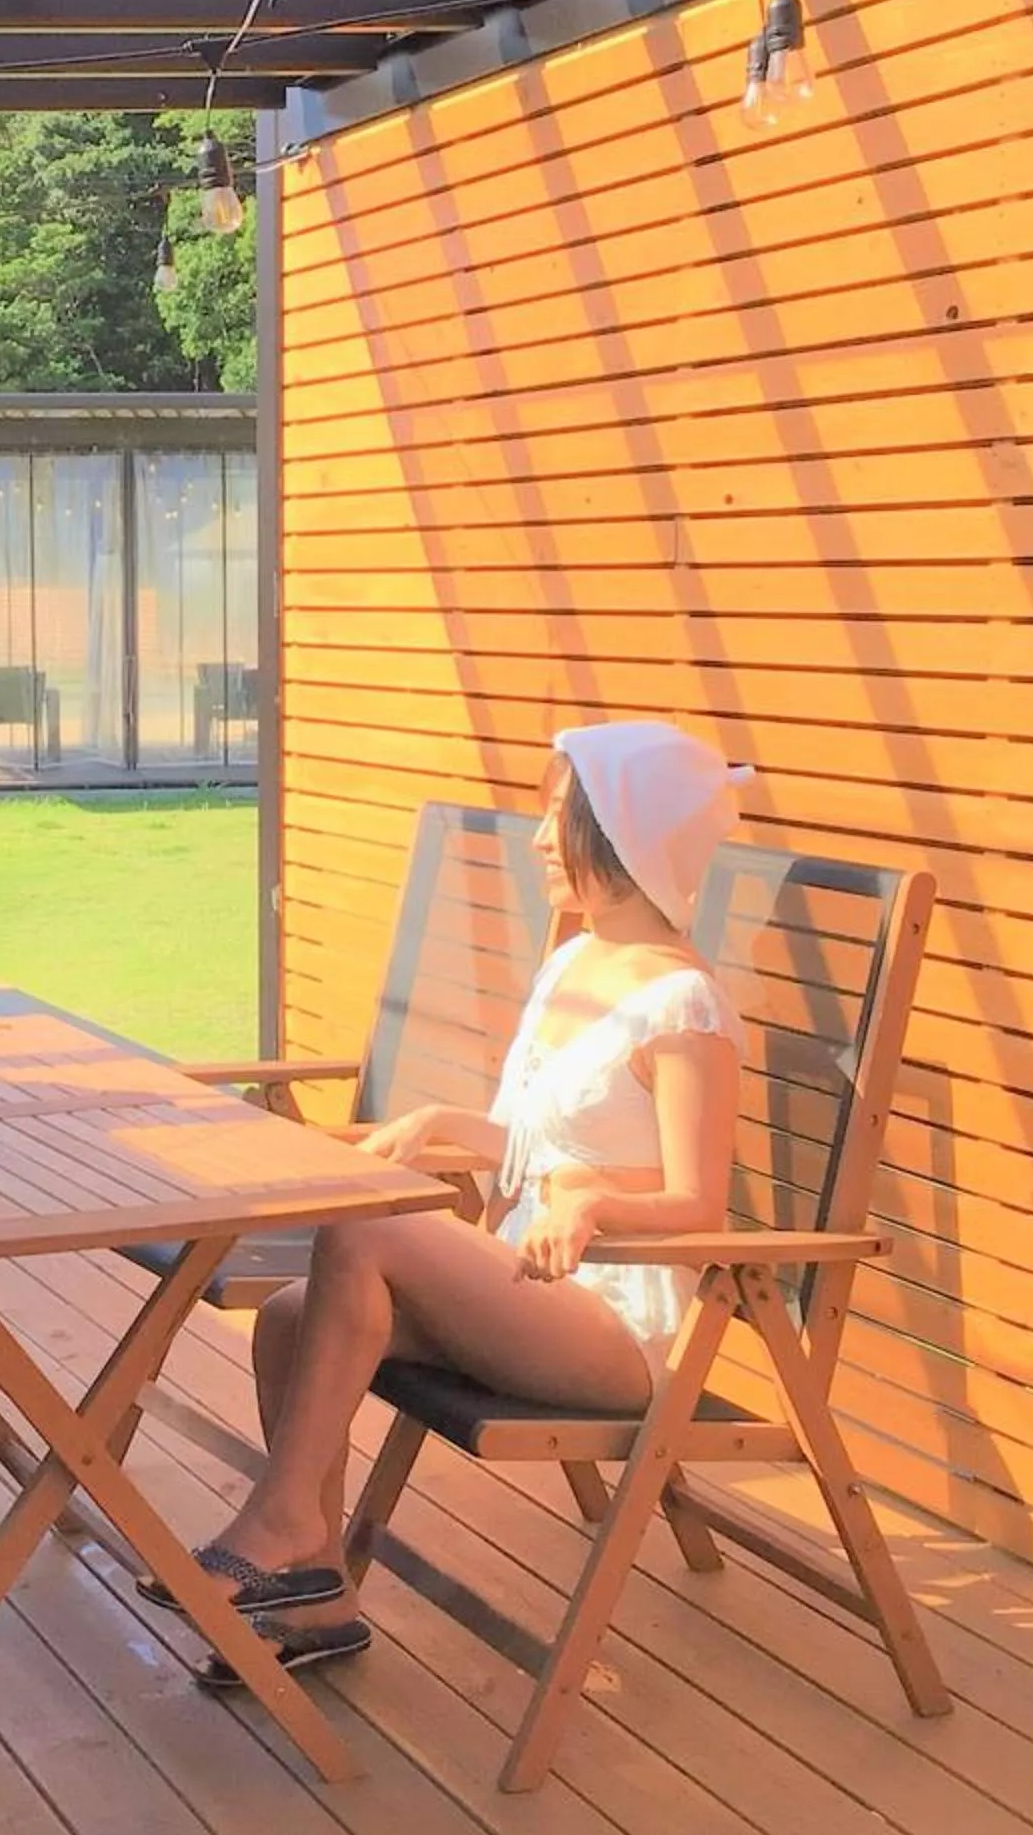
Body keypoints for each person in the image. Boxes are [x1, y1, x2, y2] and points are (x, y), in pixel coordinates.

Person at [141, 721, 752, 1682]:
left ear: (624, 835)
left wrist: (592, 1207)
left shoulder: (685, 1007)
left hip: (614, 1329)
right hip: (521, 1287)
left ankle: (283, 1525)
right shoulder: (573, 964)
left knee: (369, 1231)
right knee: (291, 1322)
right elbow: (546, 1144)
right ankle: (321, 1600)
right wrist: (447, 1123)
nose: (542, 838)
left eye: (560, 818)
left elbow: (700, 1204)